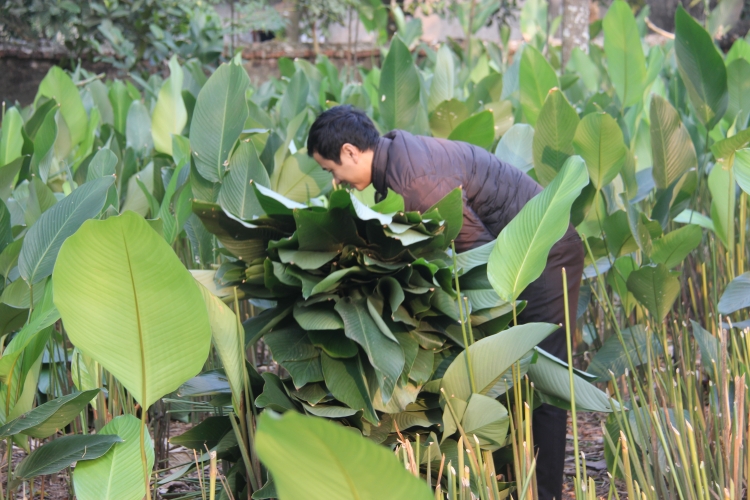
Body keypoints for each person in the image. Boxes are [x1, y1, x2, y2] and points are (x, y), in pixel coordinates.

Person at [307, 104, 584, 500]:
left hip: (544, 255)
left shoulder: (417, 180)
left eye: (331, 169)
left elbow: (482, 264)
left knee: (543, 384)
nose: (336, 181)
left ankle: (543, 494)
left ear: (350, 152)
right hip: (521, 251)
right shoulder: (397, 158)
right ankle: (513, 483)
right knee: (510, 378)